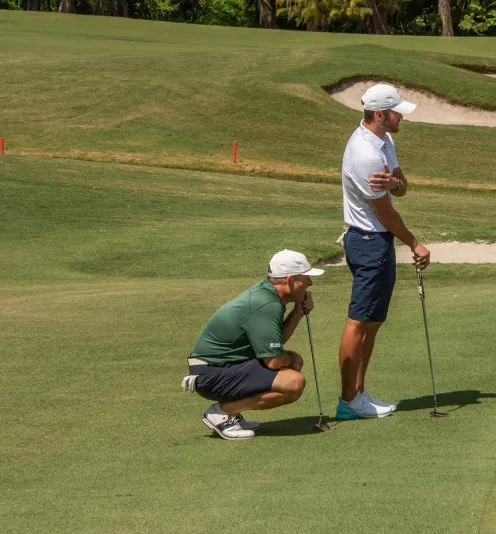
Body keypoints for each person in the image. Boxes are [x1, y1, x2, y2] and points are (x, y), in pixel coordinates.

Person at [336, 83, 431, 420]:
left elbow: (402, 188)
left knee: (372, 322)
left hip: (377, 242)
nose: (401, 117)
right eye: (397, 113)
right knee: (358, 323)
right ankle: (348, 401)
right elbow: (386, 213)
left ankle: (359, 393)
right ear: (380, 114)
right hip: (367, 242)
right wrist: (414, 243)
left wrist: (394, 183)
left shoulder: (383, 141)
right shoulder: (366, 155)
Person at [181, 249, 323, 440]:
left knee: (291, 365)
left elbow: (273, 342)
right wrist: (292, 357)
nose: (310, 283)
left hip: (220, 368)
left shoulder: (268, 295)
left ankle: (230, 412)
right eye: (306, 278)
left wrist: (298, 312)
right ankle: (222, 413)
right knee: (293, 383)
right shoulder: (266, 304)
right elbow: (273, 361)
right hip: (211, 374)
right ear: (290, 281)